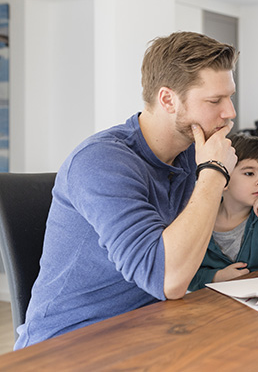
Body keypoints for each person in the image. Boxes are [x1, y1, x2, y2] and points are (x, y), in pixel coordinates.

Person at [15, 31, 239, 349]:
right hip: (67, 344)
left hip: (147, 327)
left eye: (230, 97)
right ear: (167, 99)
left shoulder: (193, 153)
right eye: (215, 101)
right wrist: (214, 174)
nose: (230, 112)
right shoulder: (101, 162)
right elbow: (168, 279)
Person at [188, 134, 258, 291]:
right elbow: (186, 274)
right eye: (249, 173)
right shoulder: (198, 220)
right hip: (212, 305)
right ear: (224, 179)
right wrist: (217, 277)